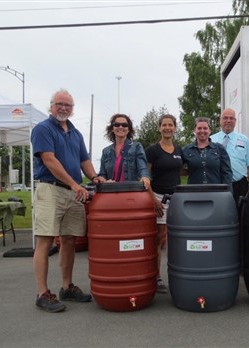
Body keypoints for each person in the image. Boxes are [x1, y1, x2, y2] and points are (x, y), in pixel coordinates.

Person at [31, 89, 103, 313]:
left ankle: (66, 286)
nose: (63, 108)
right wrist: (74, 184)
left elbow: (84, 160)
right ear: (51, 106)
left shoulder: (75, 133)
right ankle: (43, 293)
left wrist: (94, 177)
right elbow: (49, 160)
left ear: (72, 109)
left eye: (68, 105)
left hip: (72, 192)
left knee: (69, 240)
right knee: (45, 240)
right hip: (51, 189)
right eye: (59, 104)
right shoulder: (42, 129)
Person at [145, 114, 183, 294]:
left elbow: (182, 169)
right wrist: (153, 199)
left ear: (175, 128)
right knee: (159, 239)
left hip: (177, 198)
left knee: (177, 238)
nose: (168, 128)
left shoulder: (179, 149)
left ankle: (179, 275)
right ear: (159, 128)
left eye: (171, 125)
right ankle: (157, 277)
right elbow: (145, 177)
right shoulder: (152, 150)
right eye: (164, 125)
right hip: (159, 197)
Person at [211, 108, 249, 201]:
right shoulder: (211, 140)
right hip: (218, 184)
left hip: (240, 184)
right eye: (225, 118)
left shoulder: (244, 140)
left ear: (235, 121)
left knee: (241, 213)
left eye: (231, 118)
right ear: (220, 120)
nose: (228, 121)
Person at [98, 113, 150, 190]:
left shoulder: (137, 146)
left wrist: (145, 177)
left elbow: (142, 168)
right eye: (117, 124)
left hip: (130, 191)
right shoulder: (106, 151)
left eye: (124, 125)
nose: (121, 127)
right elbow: (102, 174)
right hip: (111, 192)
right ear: (112, 128)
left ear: (129, 129)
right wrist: (102, 180)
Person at [182, 117, 232, 185]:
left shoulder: (219, 149)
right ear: (194, 130)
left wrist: (227, 193)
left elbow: (227, 173)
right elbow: (175, 168)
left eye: (205, 128)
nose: (202, 131)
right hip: (193, 192)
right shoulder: (186, 150)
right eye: (199, 128)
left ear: (209, 131)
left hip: (215, 192)